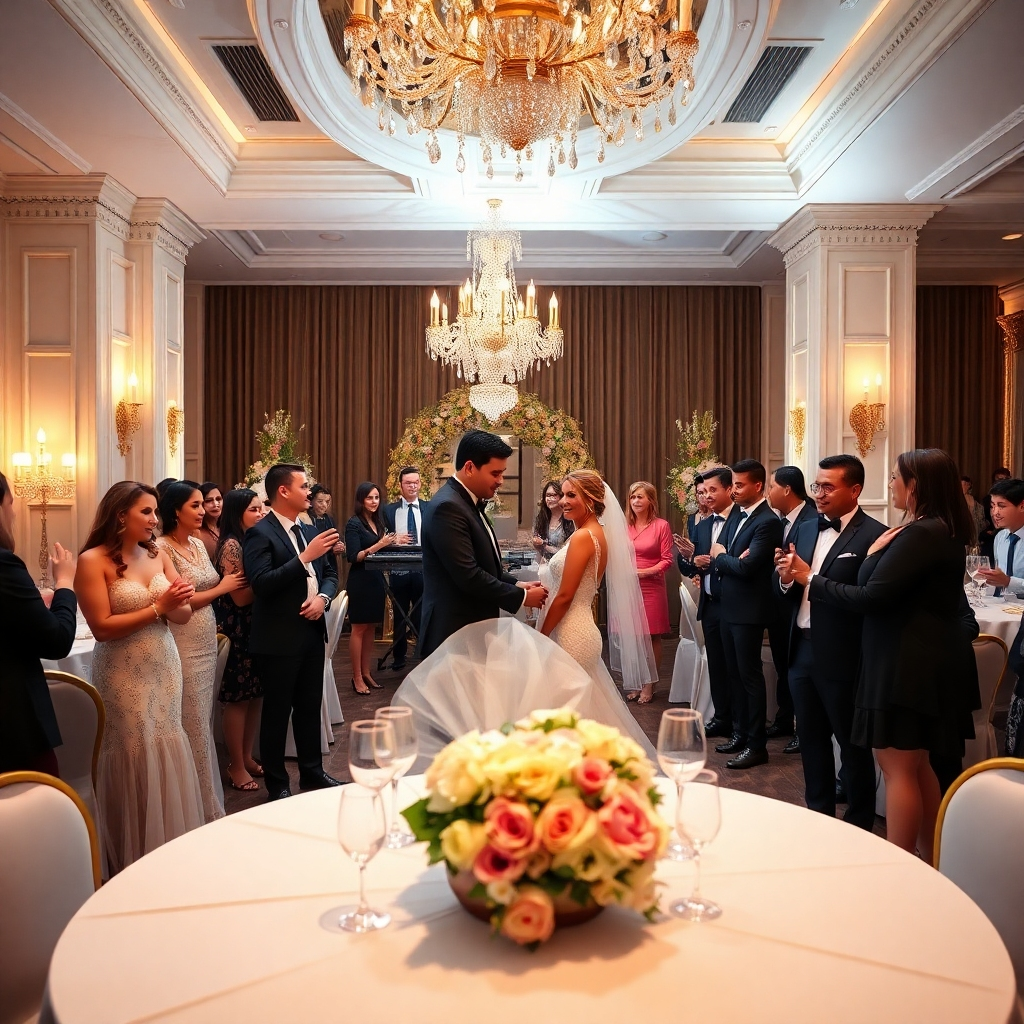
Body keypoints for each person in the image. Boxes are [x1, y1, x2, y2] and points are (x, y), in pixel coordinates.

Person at [787, 449, 979, 861]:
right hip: (916, 660)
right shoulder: (934, 530)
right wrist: (875, 555)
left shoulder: (921, 533)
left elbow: (872, 595)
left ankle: (900, 865)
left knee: (898, 771)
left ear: (916, 485)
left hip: (905, 664)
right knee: (916, 767)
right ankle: (929, 860)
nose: (890, 483)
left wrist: (811, 578)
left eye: (895, 477)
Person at [395, 469, 655, 761]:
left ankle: (577, 768)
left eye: (572, 495)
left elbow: (567, 596)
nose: (563, 502)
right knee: (579, 708)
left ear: (592, 499)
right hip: (577, 627)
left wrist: (540, 637)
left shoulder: (584, 536)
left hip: (572, 631)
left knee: (567, 711)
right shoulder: (591, 533)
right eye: (563, 494)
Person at [75, 481, 203, 872]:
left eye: (155, 512)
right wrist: (159, 606)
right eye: (145, 512)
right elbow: (102, 628)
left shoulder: (156, 553)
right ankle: (132, 857)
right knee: (133, 747)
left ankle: (166, 849)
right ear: (120, 514)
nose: (154, 520)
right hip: (122, 673)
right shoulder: (92, 560)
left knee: (166, 739)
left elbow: (181, 616)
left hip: (164, 665)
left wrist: (179, 600)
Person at [773, 455, 886, 829]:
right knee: (810, 740)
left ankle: (859, 825)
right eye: (816, 486)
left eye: (828, 487)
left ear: (855, 490)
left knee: (852, 747)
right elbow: (790, 588)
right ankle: (819, 819)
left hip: (843, 653)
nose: (818, 494)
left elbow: (867, 597)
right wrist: (788, 578)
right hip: (800, 649)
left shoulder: (874, 536)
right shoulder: (805, 529)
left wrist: (807, 577)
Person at [243, 463, 341, 801]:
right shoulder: (260, 532)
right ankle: (278, 783)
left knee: (309, 706)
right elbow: (261, 584)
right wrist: (303, 558)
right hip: (279, 637)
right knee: (277, 712)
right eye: (304, 486)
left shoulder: (309, 529)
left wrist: (324, 598)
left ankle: (312, 773)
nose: (310, 493)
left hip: (312, 631)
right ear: (283, 491)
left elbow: (330, 573)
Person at [418, 429, 547, 657]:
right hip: (454, 631)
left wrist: (516, 585)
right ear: (469, 468)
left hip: (469, 630)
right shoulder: (447, 507)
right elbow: (469, 575)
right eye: (495, 473)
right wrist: (523, 598)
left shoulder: (465, 502)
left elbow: (484, 564)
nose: (500, 481)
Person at [157, 482, 244, 821]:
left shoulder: (195, 543)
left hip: (206, 637)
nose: (203, 510)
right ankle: (196, 808)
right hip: (182, 636)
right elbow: (179, 601)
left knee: (201, 719)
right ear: (176, 510)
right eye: (195, 505)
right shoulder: (162, 549)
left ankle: (203, 798)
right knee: (190, 719)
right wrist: (222, 587)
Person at [0, 471, 77, 774]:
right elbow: (57, 641)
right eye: (10, 502)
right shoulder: (5, 563)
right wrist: (65, 582)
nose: (14, 510)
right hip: (12, 723)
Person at [710, 459, 784, 770]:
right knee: (734, 675)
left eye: (739, 485)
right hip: (729, 607)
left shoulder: (767, 521)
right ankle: (740, 733)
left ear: (757, 486)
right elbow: (722, 550)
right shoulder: (737, 515)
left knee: (750, 677)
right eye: (733, 485)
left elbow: (745, 566)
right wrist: (727, 556)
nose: (734, 490)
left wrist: (723, 556)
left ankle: (757, 745)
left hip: (750, 611)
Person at [677, 466, 736, 739]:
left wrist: (711, 561)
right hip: (710, 603)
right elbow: (690, 568)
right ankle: (722, 716)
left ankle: (740, 724)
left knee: (735, 667)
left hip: (733, 603)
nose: (707, 496)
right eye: (703, 491)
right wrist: (692, 559)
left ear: (729, 489)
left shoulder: (739, 521)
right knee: (717, 664)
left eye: (713, 490)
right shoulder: (701, 524)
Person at [213, 489, 265, 792]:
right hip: (237, 627)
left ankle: (246, 756)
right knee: (238, 700)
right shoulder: (232, 545)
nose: (260, 514)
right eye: (253, 510)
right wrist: (270, 580)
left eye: (261, 509)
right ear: (238, 513)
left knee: (255, 695)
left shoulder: (251, 540)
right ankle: (234, 763)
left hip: (255, 626)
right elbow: (240, 596)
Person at [765, 465, 818, 745]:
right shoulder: (781, 520)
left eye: (771, 486)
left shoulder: (812, 520)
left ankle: (801, 728)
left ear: (786, 489)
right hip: (780, 604)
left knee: (796, 669)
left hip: (800, 607)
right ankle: (785, 719)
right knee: (782, 665)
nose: (768, 492)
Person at [345, 482, 395, 693]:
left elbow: (380, 548)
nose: (374, 502)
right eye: (369, 498)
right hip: (360, 579)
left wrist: (392, 542)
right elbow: (354, 556)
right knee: (358, 628)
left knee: (371, 629)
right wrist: (380, 544)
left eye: (376, 498)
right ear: (360, 500)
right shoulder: (353, 524)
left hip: (376, 579)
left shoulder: (378, 520)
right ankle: (356, 676)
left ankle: (366, 672)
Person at [625, 481, 673, 704]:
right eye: (633, 497)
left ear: (651, 500)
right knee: (633, 636)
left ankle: (650, 683)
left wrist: (644, 573)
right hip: (628, 586)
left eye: (640, 497)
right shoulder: (624, 526)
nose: (636, 501)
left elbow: (667, 560)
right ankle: (636, 681)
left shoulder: (661, 526)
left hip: (651, 585)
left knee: (652, 635)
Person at [382, 467, 429, 672]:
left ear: (420, 484)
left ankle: (421, 654)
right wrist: (393, 540)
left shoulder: (429, 508)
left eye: (415, 482)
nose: (412, 486)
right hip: (398, 567)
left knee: (421, 612)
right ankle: (398, 657)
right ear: (400, 485)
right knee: (400, 614)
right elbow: (380, 537)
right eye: (408, 483)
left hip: (423, 567)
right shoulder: (389, 510)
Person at [976, 477, 1024, 597]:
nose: (995, 512)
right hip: (1002, 608)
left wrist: (1008, 582)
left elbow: (1005, 580)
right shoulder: (1000, 537)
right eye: (992, 506)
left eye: (1001, 506)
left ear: (1022, 506)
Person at [532, 479, 575, 562]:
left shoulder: (569, 521)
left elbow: (567, 552)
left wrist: (544, 545)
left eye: (554, 495)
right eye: (548, 495)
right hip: (543, 565)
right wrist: (536, 544)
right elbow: (538, 549)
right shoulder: (541, 518)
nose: (550, 499)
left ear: (561, 497)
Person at [306, 483, 345, 571]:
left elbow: (336, 537)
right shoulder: (306, 519)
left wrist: (339, 545)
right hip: (314, 565)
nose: (324, 505)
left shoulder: (329, 519)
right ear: (311, 501)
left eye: (327, 502)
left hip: (330, 564)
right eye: (320, 501)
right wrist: (331, 549)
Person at [198, 482, 223, 561]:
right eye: (209, 501)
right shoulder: (196, 533)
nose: (215, 504)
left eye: (218, 499)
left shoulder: (225, 528)